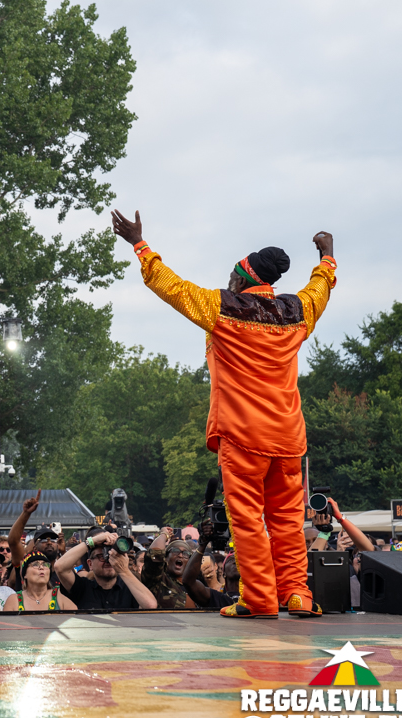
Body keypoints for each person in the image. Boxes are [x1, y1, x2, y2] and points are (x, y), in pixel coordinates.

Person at [113, 209, 337, 619]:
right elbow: (318, 292)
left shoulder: (223, 307)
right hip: (288, 439)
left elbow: (173, 287)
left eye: (234, 276)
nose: (229, 280)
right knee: (287, 521)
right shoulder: (296, 313)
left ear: (244, 279)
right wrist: (327, 259)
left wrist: (139, 245)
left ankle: (259, 599)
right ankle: (297, 595)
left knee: (249, 522)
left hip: (242, 438)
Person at [54, 528, 157, 610]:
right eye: (102, 556)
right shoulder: (83, 587)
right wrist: (92, 542)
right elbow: (60, 567)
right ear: (90, 564)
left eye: (112, 555)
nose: (108, 560)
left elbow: (150, 605)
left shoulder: (130, 587)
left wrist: (124, 571)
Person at [141, 527, 198, 609]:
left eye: (185, 553)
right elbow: (155, 554)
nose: (180, 555)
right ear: (166, 557)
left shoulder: (196, 586)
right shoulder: (158, 580)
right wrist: (164, 534)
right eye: (175, 551)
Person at [4, 552, 76, 612]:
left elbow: (75, 623)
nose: (41, 567)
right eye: (35, 564)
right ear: (24, 574)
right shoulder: (14, 600)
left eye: (45, 565)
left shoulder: (60, 594)